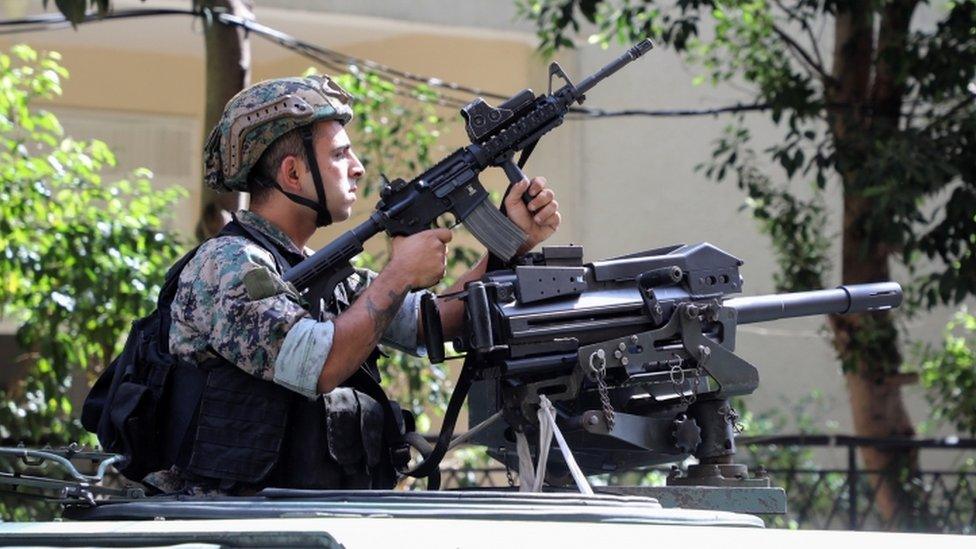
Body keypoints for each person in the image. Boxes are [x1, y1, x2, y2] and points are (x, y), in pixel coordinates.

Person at [144, 74, 560, 494]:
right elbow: (317, 365)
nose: (358, 167)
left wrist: (510, 242)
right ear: (292, 173)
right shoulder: (228, 265)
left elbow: (435, 320)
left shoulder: (319, 274)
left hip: (302, 518)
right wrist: (399, 273)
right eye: (340, 154)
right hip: (225, 522)